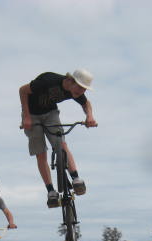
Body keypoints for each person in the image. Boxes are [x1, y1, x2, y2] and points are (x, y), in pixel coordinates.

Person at [20, 69, 98, 208]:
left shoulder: (76, 92)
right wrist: (26, 116)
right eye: (80, 87)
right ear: (70, 81)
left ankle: (76, 178)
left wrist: (90, 117)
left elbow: (86, 103)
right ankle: (51, 191)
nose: (81, 92)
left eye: (84, 89)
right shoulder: (48, 80)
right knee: (41, 153)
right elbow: (23, 90)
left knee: (61, 144)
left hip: (50, 114)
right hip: (32, 115)